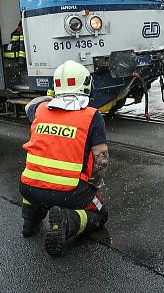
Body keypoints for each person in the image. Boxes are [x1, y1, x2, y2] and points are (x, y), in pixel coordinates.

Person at [19, 60, 110, 257]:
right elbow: (101, 160)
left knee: (37, 182)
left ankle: (30, 220)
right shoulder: (92, 116)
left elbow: (30, 105)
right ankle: (68, 221)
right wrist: (96, 184)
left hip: (28, 187)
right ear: (86, 84)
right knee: (100, 213)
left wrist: (52, 96)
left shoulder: (40, 110)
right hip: (69, 193)